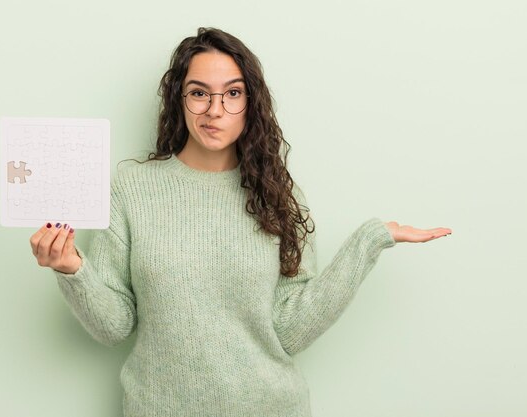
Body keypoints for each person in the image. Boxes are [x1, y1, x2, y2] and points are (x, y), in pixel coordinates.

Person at [29, 27, 452, 417]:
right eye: (199, 93)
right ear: (179, 98)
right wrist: (73, 271)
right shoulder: (131, 188)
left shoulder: (278, 195)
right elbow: (114, 326)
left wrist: (370, 241)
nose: (215, 110)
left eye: (232, 93)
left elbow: (290, 331)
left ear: (250, 102)